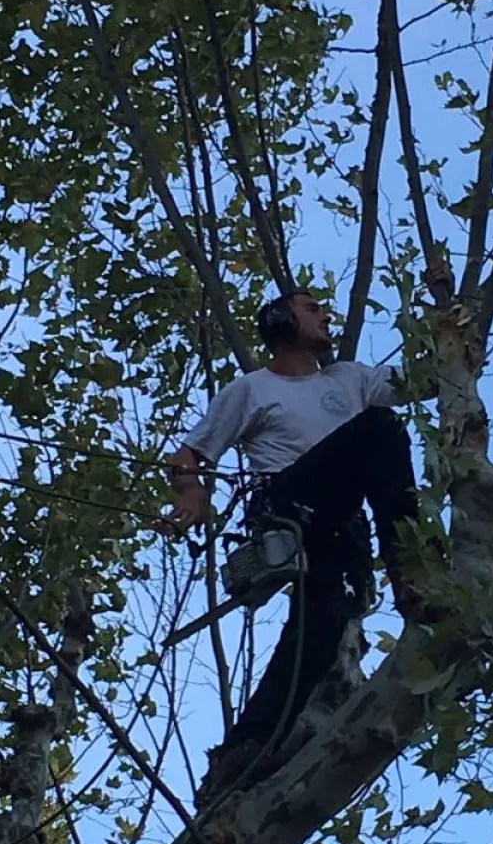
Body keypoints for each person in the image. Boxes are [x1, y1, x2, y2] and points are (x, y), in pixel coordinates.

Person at [170, 265, 451, 802]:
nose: (325, 315)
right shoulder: (252, 389)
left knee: (321, 635)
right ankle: (414, 570)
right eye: (310, 307)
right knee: (381, 429)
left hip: (340, 526)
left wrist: (443, 313)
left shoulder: (350, 379)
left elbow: (430, 382)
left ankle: (245, 749)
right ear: (280, 320)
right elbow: (190, 455)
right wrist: (192, 495)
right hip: (292, 504)